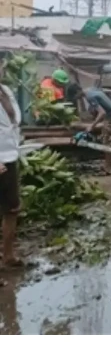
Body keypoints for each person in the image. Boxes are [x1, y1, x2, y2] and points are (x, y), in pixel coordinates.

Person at [66, 83, 111, 175]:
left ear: (78, 91)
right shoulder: (90, 89)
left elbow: (102, 112)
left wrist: (92, 126)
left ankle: (108, 168)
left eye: (75, 96)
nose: (76, 98)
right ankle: (107, 165)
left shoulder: (89, 97)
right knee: (106, 141)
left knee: (108, 143)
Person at [0, 76, 22, 269]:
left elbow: (13, 123)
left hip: (10, 155)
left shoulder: (6, 90)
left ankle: (8, 255)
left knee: (12, 209)